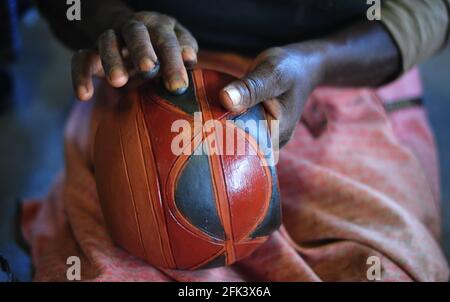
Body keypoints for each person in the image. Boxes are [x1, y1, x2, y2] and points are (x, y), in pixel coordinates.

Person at [21, 0, 449, 281]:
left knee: (380, 269)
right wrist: (107, 20)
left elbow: (429, 9)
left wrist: (317, 63)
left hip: (339, 62)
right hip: (156, 67)